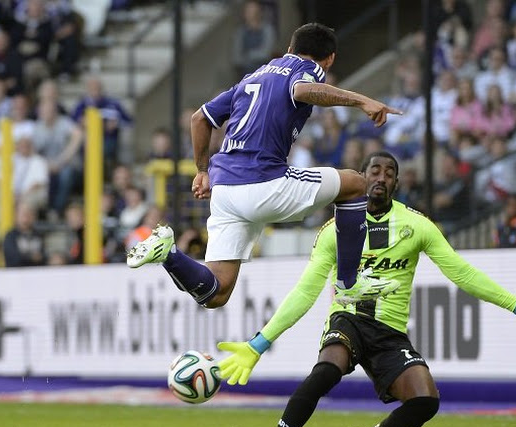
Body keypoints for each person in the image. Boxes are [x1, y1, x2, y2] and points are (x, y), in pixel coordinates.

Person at [216, 151, 516, 427]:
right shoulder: (336, 229)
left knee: (425, 403)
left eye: (390, 174)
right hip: (349, 319)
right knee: (326, 372)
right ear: (362, 177)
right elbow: (305, 292)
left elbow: (462, 274)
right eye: (375, 171)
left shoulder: (416, 226)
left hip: (389, 331)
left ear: (396, 184)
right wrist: (260, 343)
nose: (381, 178)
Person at [126, 23, 402, 309]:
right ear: (329, 58)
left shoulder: (253, 76)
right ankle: (349, 284)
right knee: (356, 183)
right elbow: (303, 90)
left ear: (289, 49)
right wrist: (361, 101)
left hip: (224, 191)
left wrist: (202, 170)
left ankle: (169, 254)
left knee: (215, 293)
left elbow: (200, 118)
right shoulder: (306, 68)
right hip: (264, 181)